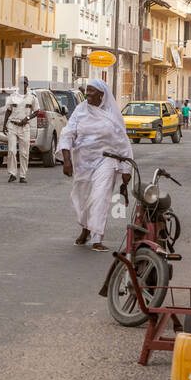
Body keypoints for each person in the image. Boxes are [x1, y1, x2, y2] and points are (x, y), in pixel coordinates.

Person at [57, 79, 133, 251]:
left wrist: (126, 168)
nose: (88, 94)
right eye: (87, 90)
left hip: (106, 160)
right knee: (82, 199)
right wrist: (66, 160)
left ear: (101, 94)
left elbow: (122, 142)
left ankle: (97, 237)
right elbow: (67, 133)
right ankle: (85, 228)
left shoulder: (112, 115)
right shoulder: (81, 110)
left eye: (92, 91)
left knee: (100, 197)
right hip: (83, 161)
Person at [3, 76, 39, 185]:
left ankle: (23, 175)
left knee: (24, 153)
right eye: (20, 83)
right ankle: (12, 174)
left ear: (27, 84)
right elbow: (8, 111)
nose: (22, 85)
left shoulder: (32, 97)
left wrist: (27, 118)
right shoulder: (12, 96)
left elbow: (36, 111)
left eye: (24, 83)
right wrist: (4, 125)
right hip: (12, 125)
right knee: (12, 151)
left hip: (24, 127)